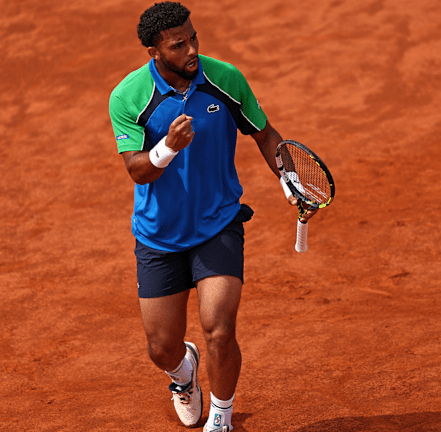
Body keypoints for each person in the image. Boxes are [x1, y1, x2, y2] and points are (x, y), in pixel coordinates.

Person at [108, 2, 318, 431]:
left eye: (193, 37)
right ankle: (183, 372)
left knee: (219, 328)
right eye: (178, 44)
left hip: (218, 224)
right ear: (154, 51)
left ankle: (221, 417)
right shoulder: (127, 97)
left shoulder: (225, 78)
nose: (191, 50)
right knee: (160, 348)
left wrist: (289, 176)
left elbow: (263, 132)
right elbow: (136, 168)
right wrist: (167, 147)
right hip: (158, 236)